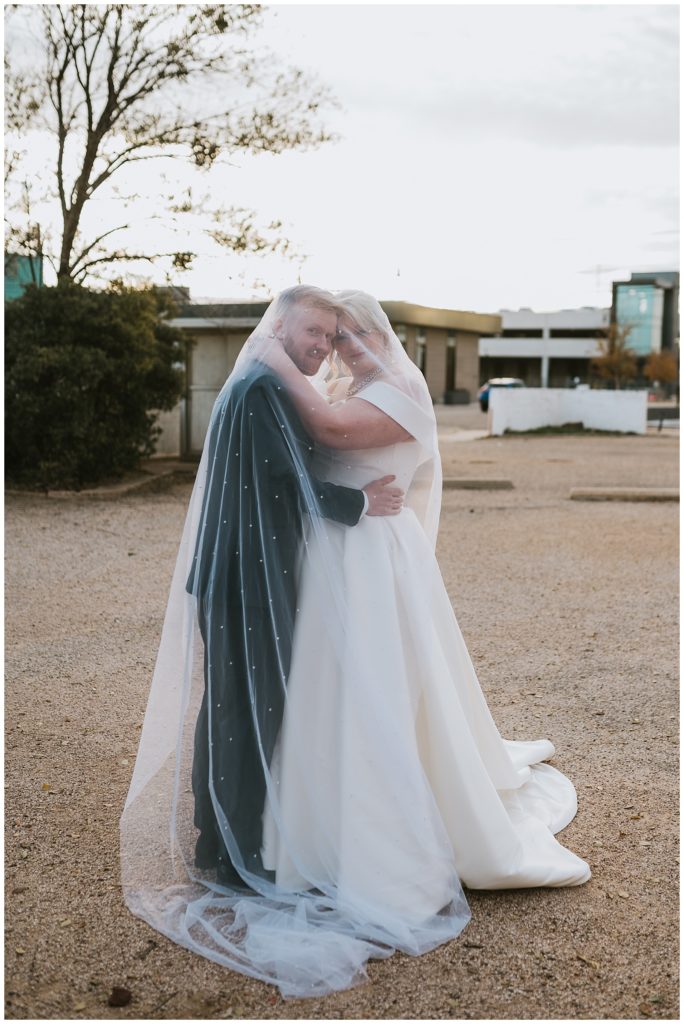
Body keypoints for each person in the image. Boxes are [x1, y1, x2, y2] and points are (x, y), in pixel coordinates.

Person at [258, 290, 591, 902]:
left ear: (386, 337)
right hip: (341, 545)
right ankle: (321, 805)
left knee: (376, 677)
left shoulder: (400, 393)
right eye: (337, 338)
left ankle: (382, 814)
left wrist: (269, 355)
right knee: (330, 677)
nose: (347, 348)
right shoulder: (349, 389)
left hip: (373, 554)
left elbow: (328, 431)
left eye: (359, 336)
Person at [182, 285, 403, 890]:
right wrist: (358, 500)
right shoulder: (261, 389)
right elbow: (284, 483)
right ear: (279, 326)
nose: (321, 347)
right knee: (248, 711)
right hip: (247, 576)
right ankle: (235, 852)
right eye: (313, 332)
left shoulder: (257, 378)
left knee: (232, 707)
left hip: (243, 570)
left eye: (329, 337)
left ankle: (219, 840)